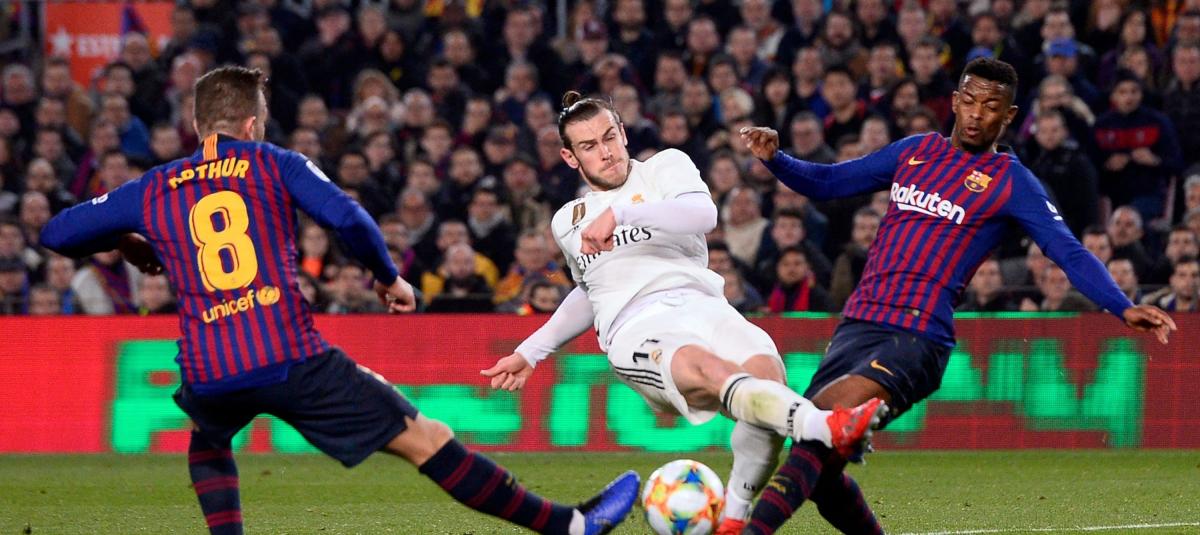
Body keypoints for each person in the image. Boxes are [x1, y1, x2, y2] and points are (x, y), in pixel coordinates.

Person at [39, 66, 637, 535]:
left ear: (199, 126)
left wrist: (124, 239)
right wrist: (388, 277)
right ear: (251, 123)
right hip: (288, 354)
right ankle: (570, 526)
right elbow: (347, 218)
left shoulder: (153, 187)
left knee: (208, 433)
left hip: (210, 367)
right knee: (425, 438)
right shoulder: (273, 163)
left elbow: (57, 233)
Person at [740, 57, 1177, 535]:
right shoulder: (916, 151)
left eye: (990, 106)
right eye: (969, 101)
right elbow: (829, 182)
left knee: (817, 437)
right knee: (821, 475)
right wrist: (776, 159)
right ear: (954, 102)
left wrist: (1121, 305)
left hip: (916, 335)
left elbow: (1067, 251)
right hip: (856, 326)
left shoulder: (1012, 182)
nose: (976, 114)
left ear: (1008, 116)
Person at [481, 91, 886, 535]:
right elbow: (589, 290)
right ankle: (825, 426)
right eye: (589, 146)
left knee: (767, 380)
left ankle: (733, 516)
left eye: (609, 136)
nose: (606, 151)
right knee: (706, 367)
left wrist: (621, 212)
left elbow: (702, 214)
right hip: (636, 326)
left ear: (623, 133)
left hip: (704, 305)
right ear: (570, 157)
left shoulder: (665, 166)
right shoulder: (567, 220)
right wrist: (532, 349)